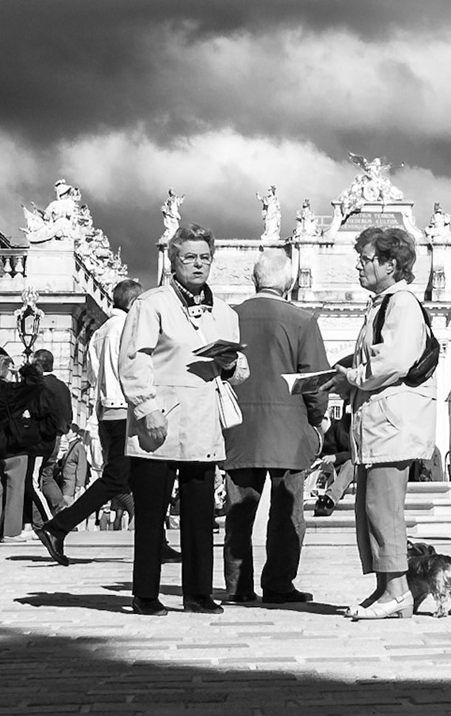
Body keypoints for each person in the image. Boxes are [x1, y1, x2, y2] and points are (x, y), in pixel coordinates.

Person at [120, 225, 247, 615]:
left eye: (204, 258)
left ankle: (197, 592)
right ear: (174, 260)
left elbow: (240, 369)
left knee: (199, 514)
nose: (198, 265)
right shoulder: (152, 304)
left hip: (204, 422)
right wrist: (146, 408)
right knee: (152, 513)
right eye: (189, 257)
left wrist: (230, 364)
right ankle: (144, 593)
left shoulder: (225, 312)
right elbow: (133, 360)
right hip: (161, 420)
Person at [332, 226, 440, 619]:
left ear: (390, 264)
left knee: (384, 507)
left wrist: (353, 377)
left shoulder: (402, 304)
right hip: (378, 424)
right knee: (371, 507)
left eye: (365, 259)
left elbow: (393, 361)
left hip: (391, 425)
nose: (359, 266)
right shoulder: (383, 305)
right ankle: (384, 589)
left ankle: (397, 592)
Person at [221, 250, 330, 604]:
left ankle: (238, 586)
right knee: (286, 513)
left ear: (255, 280)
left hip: (239, 426)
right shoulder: (302, 320)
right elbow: (312, 379)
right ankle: (279, 583)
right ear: (289, 282)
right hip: (288, 428)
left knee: (239, 512)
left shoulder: (230, 317)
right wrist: (317, 421)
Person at [38, 278, 143, 565]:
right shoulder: (128, 329)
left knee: (141, 478)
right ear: (134, 303)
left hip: (107, 411)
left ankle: (155, 541)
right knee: (116, 479)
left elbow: (93, 377)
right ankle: (57, 528)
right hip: (125, 411)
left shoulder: (101, 331)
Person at [0, 354, 51, 542]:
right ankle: (10, 532)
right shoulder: (11, 390)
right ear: (5, 370)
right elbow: (37, 385)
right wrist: (26, 370)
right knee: (15, 488)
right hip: (14, 444)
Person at [26, 349, 73, 528]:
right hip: (59, 436)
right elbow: (69, 413)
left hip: (41, 436)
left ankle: (41, 520)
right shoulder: (62, 386)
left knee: (35, 479)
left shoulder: (40, 385)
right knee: (46, 475)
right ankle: (60, 511)